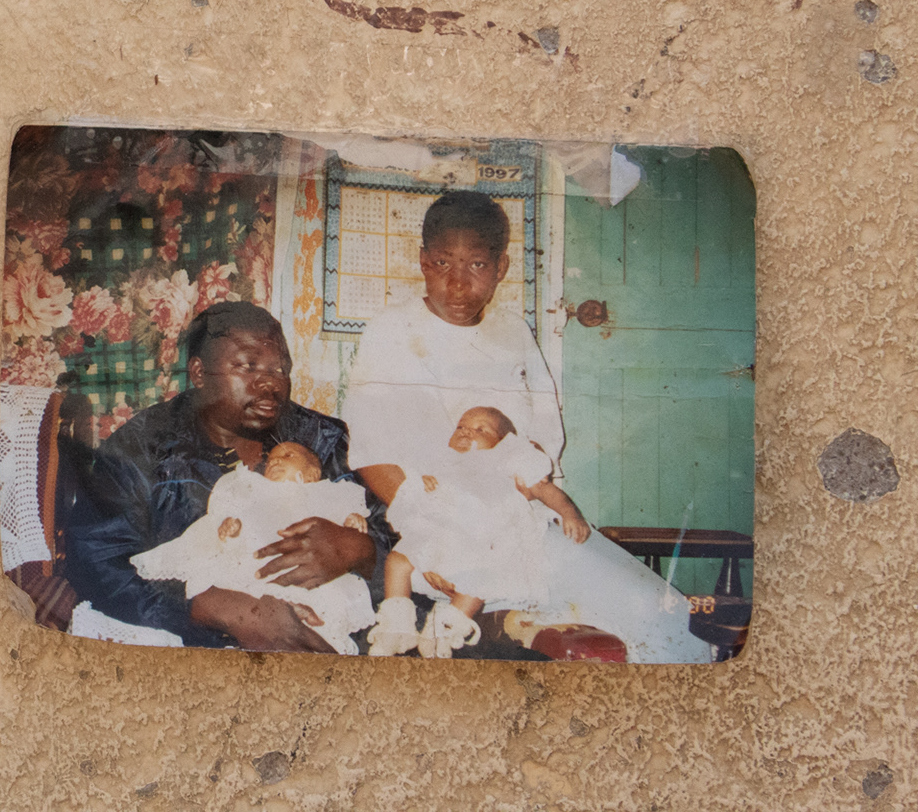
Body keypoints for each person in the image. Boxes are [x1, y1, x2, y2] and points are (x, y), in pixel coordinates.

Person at [344, 189, 712, 663]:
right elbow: (373, 454)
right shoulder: (390, 332)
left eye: (477, 265)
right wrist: (436, 537)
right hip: (437, 542)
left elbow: (543, 435)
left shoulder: (512, 332)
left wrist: (511, 496)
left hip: (519, 535)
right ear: (422, 261)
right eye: (442, 263)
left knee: (659, 613)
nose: (457, 284)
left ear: (501, 268)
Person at [62, 302, 394, 652]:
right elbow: (93, 561)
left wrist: (360, 551)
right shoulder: (144, 446)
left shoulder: (324, 442)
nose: (270, 382)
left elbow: (412, 548)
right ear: (200, 373)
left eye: (280, 369)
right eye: (248, 366)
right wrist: (214, 609)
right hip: (188, 653)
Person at [367, 406, 592, 658]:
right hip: (439, 531)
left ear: (503, 441)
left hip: (482, 536)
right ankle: (397, 628)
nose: (466, 432)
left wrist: (569, 513)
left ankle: (447, 629)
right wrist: (421, 480)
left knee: (478, 580)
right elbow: (412, 480)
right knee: (397, 561)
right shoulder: (444, 459)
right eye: (461, 427)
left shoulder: (509, 460)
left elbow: (543, 489)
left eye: (480, 429)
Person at [131, 442, 378, 655]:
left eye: (288, 456)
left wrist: (352, 522)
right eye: (271, 459)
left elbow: (348, 519)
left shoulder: (326, 493)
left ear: (313, 474)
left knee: (327, 609)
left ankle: (324, 638)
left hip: (315, 573)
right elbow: (232, 511)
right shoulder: (254, 488)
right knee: (246, 579)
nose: (276, 461)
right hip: (256, 565)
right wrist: (230, 526)